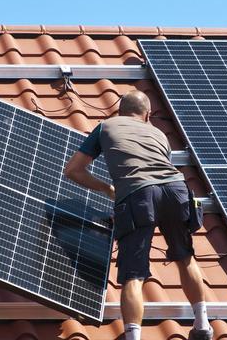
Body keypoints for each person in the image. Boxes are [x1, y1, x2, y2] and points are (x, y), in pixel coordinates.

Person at [64, 91, 213, 340]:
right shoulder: (159, 134)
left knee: (134, 272)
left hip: (139, 194)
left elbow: (73, 170)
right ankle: (203, 326)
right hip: (177, 189)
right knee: (185, 257)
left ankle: (133, 336)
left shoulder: (105, 127)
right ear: (148, 115)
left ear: (120, 110)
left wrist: (108, 189)